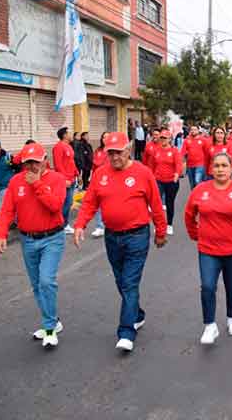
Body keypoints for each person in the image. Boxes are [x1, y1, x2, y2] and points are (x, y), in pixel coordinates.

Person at [74, 132, 167, 352]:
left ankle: (126, 331)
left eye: (118, 152)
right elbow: (89, 202)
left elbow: (155, 203)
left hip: (137, 236)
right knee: (121, 281)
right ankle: (137, 313)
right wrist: (80, 225)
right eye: (110, 153)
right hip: (112, 237)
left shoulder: (143, 173)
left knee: (129, 282)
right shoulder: (100, 174)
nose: (114, 157)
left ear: (128, 150)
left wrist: (161, 231)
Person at [0, 143, 67, 348]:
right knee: (37, 285)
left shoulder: (57, 179)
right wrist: (1, 234)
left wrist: (37, 184)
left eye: (35, 162)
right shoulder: (15, 181)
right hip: (27, 240)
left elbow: (55, 206)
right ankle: (52, 321)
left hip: (52, 238)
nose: (31, 167)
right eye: (27, 163)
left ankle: (50, 328)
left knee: (46, 281)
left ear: (45, 161)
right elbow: (7, 210)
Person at [185, 152, 232, 344]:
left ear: (231, 169)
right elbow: (189, 214)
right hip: (208, 249)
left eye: (224, 165)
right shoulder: (201, 190)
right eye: (216, 166)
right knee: (208, 286)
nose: (220, 169)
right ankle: (210, 325)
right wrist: (195, 235)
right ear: (211, 169)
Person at [149, 129, 182, 236]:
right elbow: (152, 165)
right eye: (161, 138)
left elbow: (178, 165)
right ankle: (159, 225)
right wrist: (151, 177)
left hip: (171, 181)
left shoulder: (174, 151)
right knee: (157, 204)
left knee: (169, 203)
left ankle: (169, 225)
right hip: (158, 180)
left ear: (170, 139)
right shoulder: (156, 150)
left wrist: (176, 175)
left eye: (165, 138)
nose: (163, 140)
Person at [52, 127, 79, 234]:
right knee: (65, 203)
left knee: (69, 202)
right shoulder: (58, 147)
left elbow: (71, 162)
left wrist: (77, 174)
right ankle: (62, 225)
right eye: (69, 133)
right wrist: (64, 179)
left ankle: (64, 224)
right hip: (65, 180)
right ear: (64, 135)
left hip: (72, 179)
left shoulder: (68, 146)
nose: (71, 134)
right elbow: (58, 165)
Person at [181, 126, 207, 190]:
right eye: (192, 129)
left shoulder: (203, 140)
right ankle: (194, 197)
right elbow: (183, 153)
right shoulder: (186, 140)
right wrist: (182, 165)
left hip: (200, 164)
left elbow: (207, 152)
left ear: (198, 131)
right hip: (190, 165)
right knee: (192, 184)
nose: (193, 131)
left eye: (195, 129)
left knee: (197, 181)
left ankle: (200, 195)